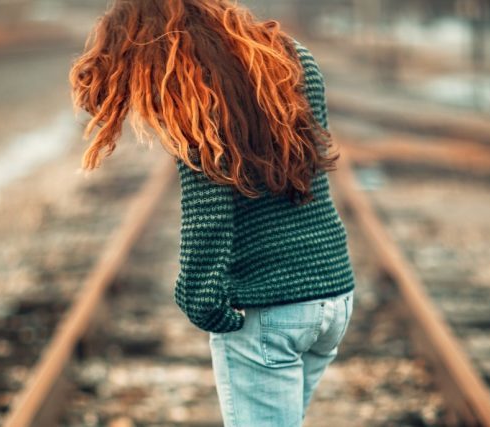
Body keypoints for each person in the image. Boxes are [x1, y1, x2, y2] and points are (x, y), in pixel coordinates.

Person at [70, 1, 355, 425]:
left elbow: (208, 210)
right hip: (332, 294)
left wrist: (201, 300)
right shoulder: (290, 56)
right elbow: (310, 169)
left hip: (270, 309)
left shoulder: (194, 93)